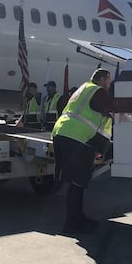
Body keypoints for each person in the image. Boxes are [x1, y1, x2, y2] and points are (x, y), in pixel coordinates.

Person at [51, 68, 114, 233]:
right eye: (108, 80)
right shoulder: (98, 92)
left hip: (62, 133)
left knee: (76, 182)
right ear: (101, 79)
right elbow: (114, 110)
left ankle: (77, 218)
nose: (109, 84)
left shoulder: (83, 89)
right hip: (78, 138)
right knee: (78, 182)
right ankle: (72, 223)